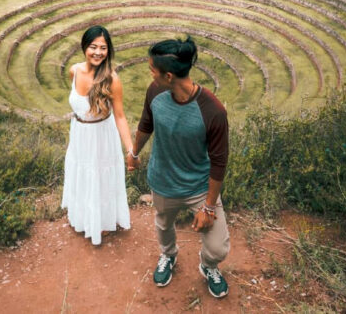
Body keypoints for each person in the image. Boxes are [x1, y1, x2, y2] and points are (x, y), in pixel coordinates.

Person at [127, 36, 230, 299]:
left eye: (152, 69)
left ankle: (208, 265)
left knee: (218, 248)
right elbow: (145, 126)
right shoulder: (155, 91)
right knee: (163, 225)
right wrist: (133, 153)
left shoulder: (213, 110)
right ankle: (168, 255)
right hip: (163, 181)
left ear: (169, 75)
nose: (150, 74)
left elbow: (219, 163)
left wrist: (208, 206)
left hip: (198, 187)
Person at [61, 25, 132, 245]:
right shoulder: (73, 71)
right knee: (82, 173)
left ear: (108, 51)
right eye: (93, 47)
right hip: (80, 133)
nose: (98, 52)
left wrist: (130, 150)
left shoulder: (112, 79)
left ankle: (103, 222)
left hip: (102, 135)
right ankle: (83, 218)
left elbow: (120, 116)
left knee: (100, 177)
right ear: (84, 47)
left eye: (103, 48)